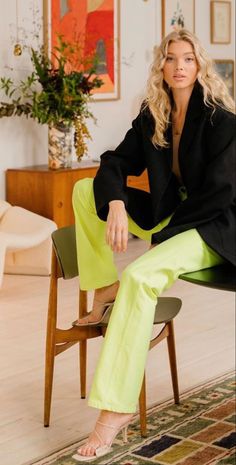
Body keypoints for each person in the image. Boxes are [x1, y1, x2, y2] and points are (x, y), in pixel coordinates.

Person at [72, 29, 235, 461]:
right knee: (84, 193)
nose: (179, 66)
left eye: (188, 59)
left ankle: (113, 411)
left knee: (141, 275)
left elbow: (221, 192)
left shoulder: (222, 119)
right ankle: (104, 288)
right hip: (172, 213)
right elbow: (114, 161)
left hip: (212, 225)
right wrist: (118, 204)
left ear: (200, 67)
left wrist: (162, 237)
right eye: (170, 58)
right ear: (160, 66)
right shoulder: (154, 113)